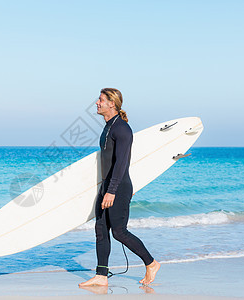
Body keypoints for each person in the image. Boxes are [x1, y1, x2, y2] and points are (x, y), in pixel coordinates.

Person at [79, 88, 160, 287]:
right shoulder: (109, 127)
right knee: (100, 229)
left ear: (111, 104)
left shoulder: (122, 129)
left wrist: (112, 190)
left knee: (119, 232)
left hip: (117, 186)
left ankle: (151, 263)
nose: (97, 103)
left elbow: (122, 162)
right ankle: (101, 276)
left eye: (100, 100)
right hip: (108, 185)